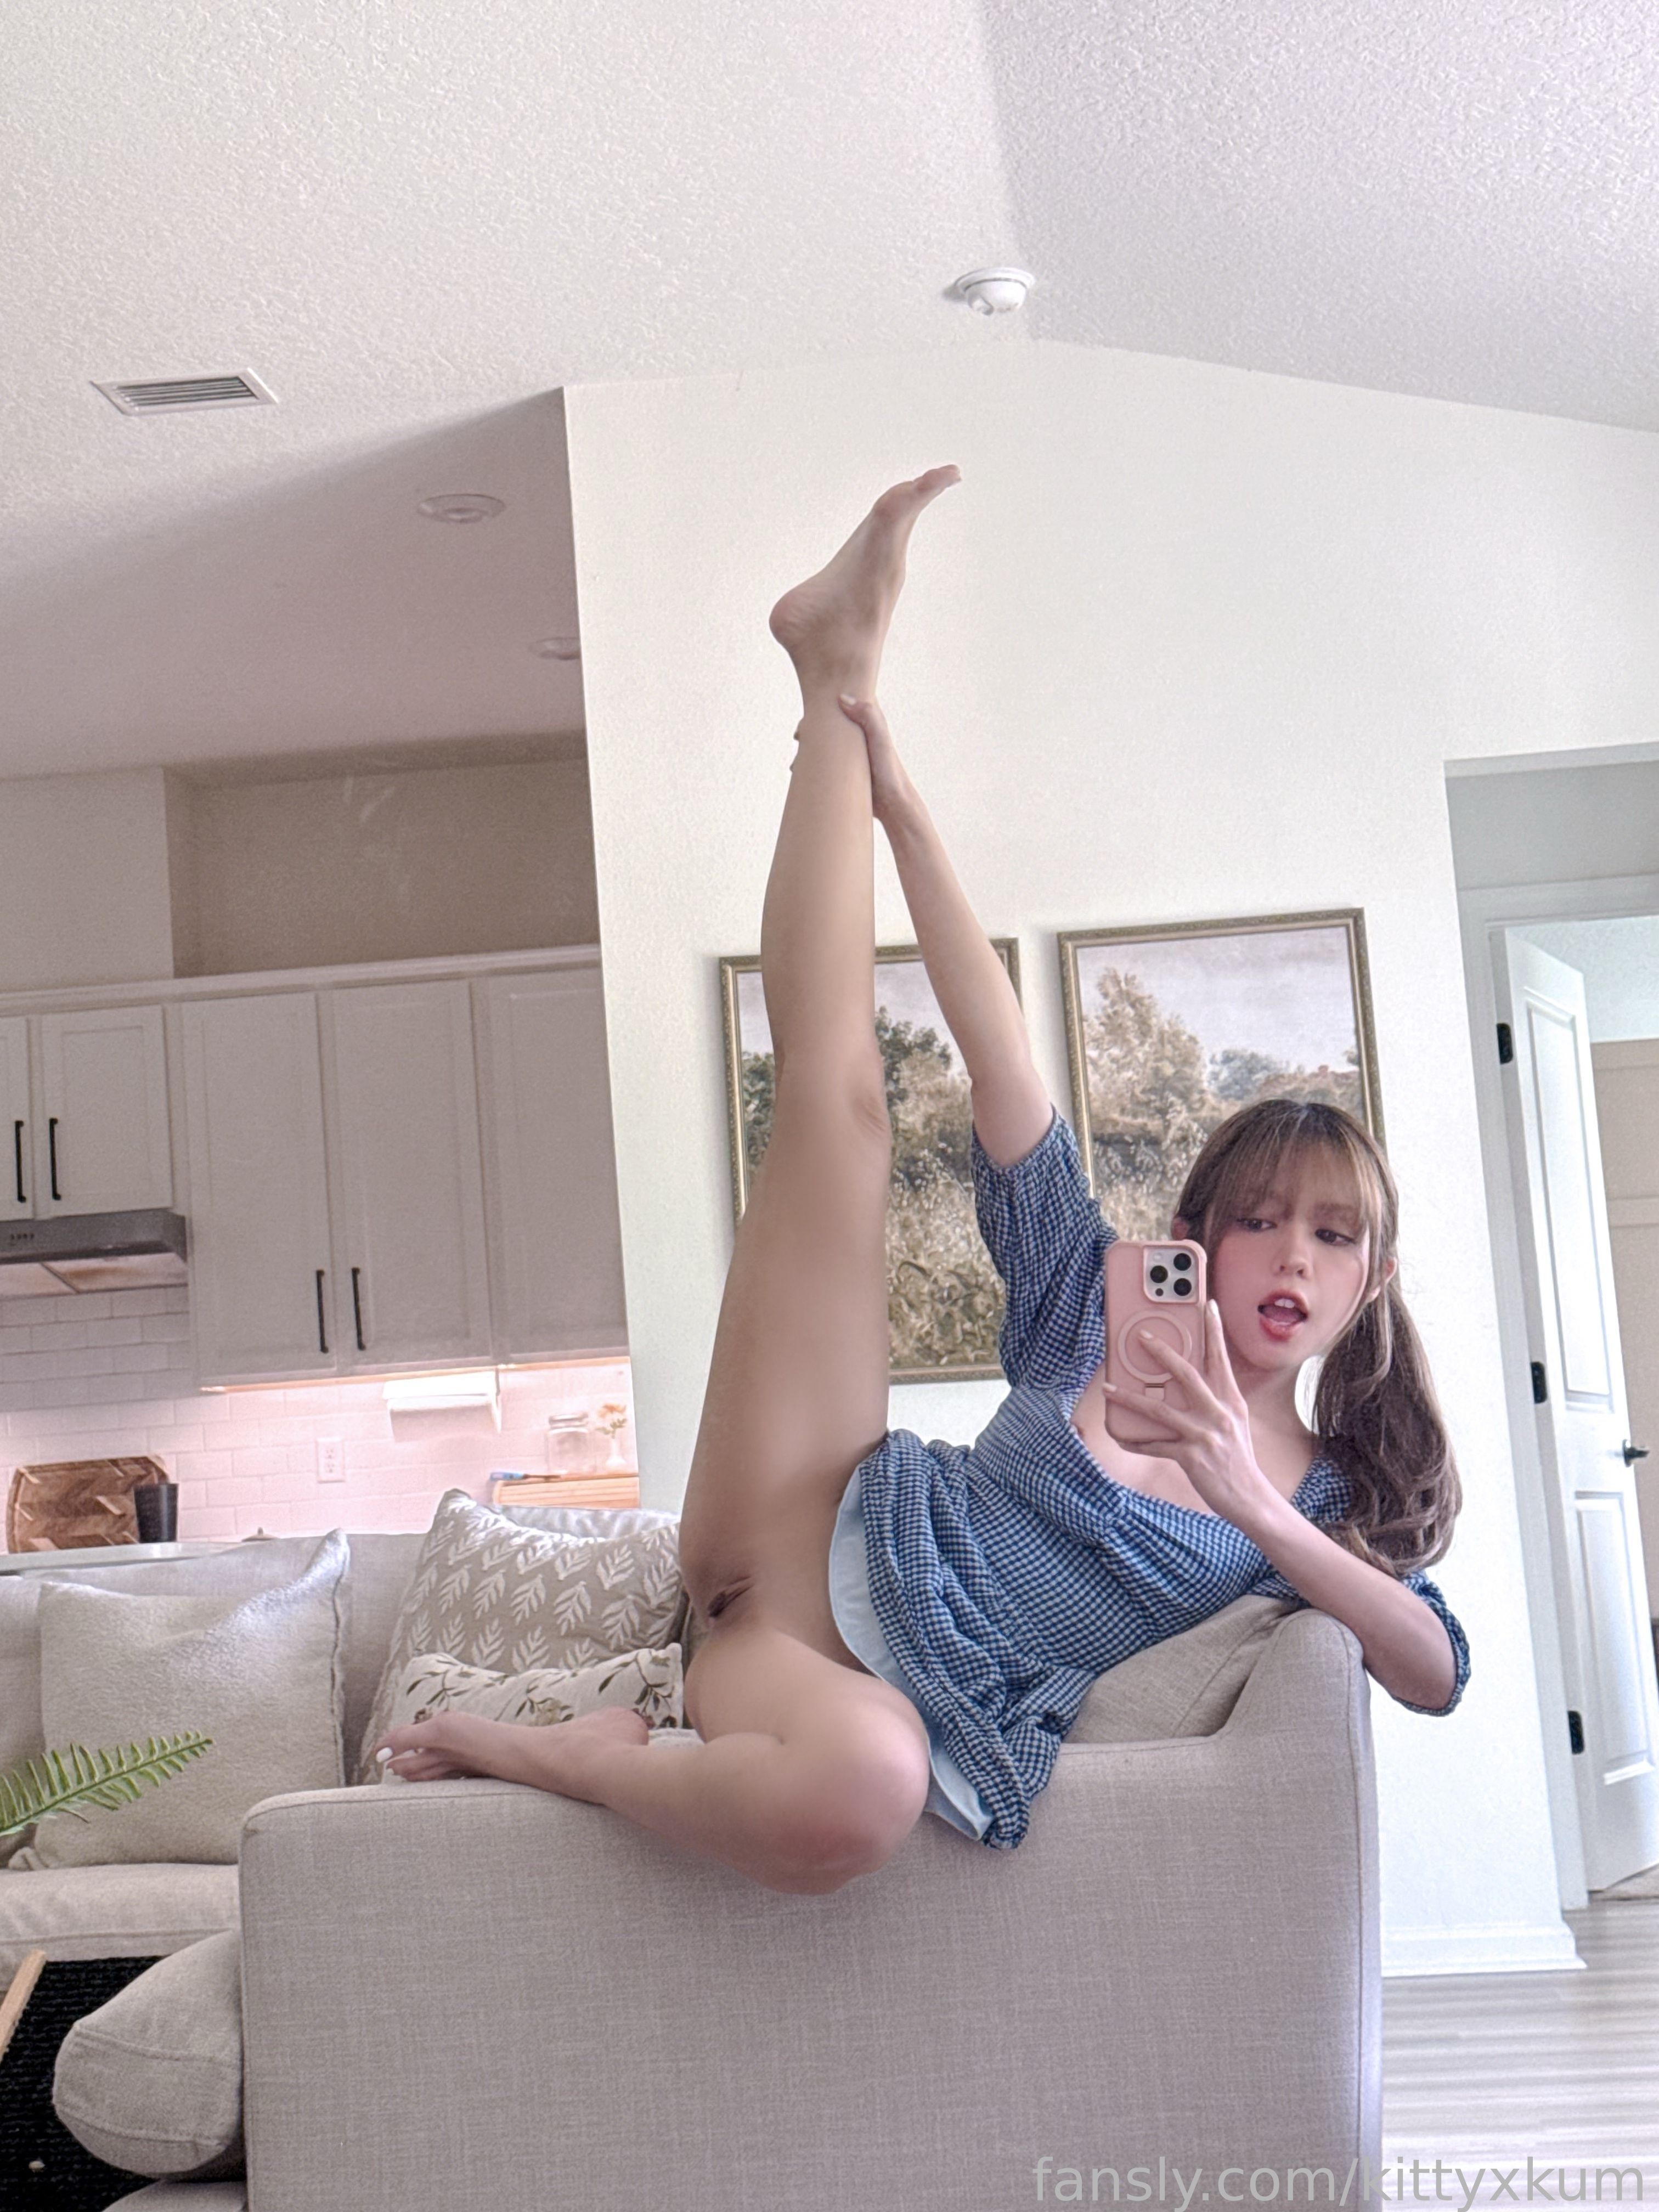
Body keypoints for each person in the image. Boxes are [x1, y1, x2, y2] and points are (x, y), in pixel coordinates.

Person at [375, 466, 1470, 1891]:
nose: (1293, 1259)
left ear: (1371, 1281)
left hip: (798, 1677)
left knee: (876, 1778)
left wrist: (1244, 1496)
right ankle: (833, 670)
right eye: (1259, 1221)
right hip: (808, 1520)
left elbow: (1434, 1672)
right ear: (1194, 1236)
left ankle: (574, 1751)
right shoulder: (1088, 1308)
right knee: (841, 1120)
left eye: (1333, 1236)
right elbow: (1005, 1062)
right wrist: (898, 809)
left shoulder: (1318, 1511)